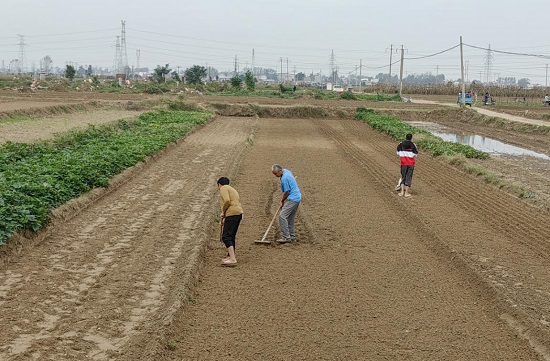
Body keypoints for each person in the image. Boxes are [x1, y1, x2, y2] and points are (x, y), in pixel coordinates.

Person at [271, 164, 302, 243]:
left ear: (280, 171)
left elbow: (287, 192)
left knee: (282, 216)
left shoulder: (284, 179)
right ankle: (292, 236)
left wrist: (282, 201)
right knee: (290, 218)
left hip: (292, 198)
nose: (275, 176)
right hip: (297, 197)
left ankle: (286, 237)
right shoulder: (286, 171)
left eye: (275, 174)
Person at [217, 177, 243, 266]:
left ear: (219, 184)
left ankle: (232, 259)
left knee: (226, 236)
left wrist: (223, 212)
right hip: (238, 213)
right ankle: (230, 255)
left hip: (232, 213)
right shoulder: (232, 189)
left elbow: (227, 201)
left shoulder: (223, 188)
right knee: (231, 236)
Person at [396, 134, 418, 198]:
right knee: (409, 177)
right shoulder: (413, 144)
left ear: (405, 137)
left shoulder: (401, 144)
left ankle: (402, 192)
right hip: (411, 163)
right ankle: (406, 193)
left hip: (403, 163)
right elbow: (416, 154)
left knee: (403, 177)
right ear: (411, 138)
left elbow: (397, 152)